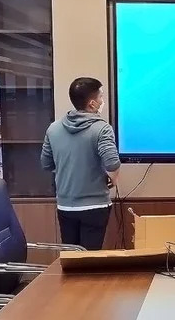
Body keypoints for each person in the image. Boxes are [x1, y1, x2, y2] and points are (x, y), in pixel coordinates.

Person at [41, 77, 121, 250]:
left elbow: (46, 164)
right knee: (89, 260)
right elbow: (112, 163)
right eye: (101, 97)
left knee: (71, 257)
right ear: (92, 103)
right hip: (95, 206)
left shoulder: (53, 129)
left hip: (65, 206)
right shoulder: (102, 129)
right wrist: (113, 179)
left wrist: (67, 170)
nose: (102, 101)